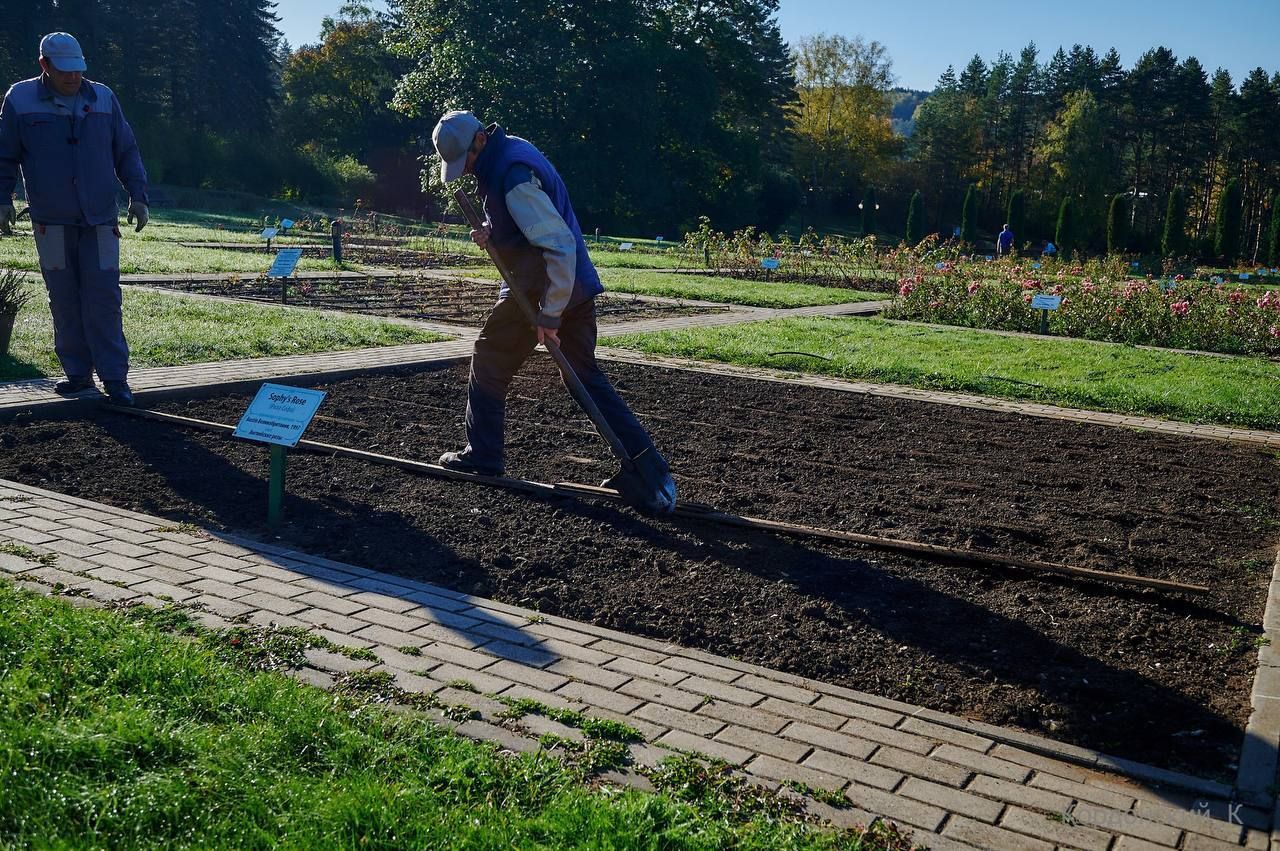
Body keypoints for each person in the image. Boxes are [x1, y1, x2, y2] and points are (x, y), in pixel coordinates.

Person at [431, 110, 675, 511]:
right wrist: (495, 230)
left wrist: (549, 314)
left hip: (542, 288)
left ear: (478, 142)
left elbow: (557, 243)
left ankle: (484, 455)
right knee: (583, 375)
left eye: (467, 160)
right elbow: (532, 222)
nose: (468, 169)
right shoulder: (514, 151)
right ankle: (648, 466)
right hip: (566, 284)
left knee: (489, 357)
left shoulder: (511, 177)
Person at [0, 32, 149, 406]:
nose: (72, 77)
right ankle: (78, 376)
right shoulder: (19, 100)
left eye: (78, 70)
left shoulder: (104, 98)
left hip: (100, 219)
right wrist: (2, 201)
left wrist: (138, 196)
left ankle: (116, 379)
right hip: (50, 221)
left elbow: (126, 149)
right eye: (64, 70)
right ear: (44, 66)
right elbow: (3, 157)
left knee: (104, 298)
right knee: (63, 299)